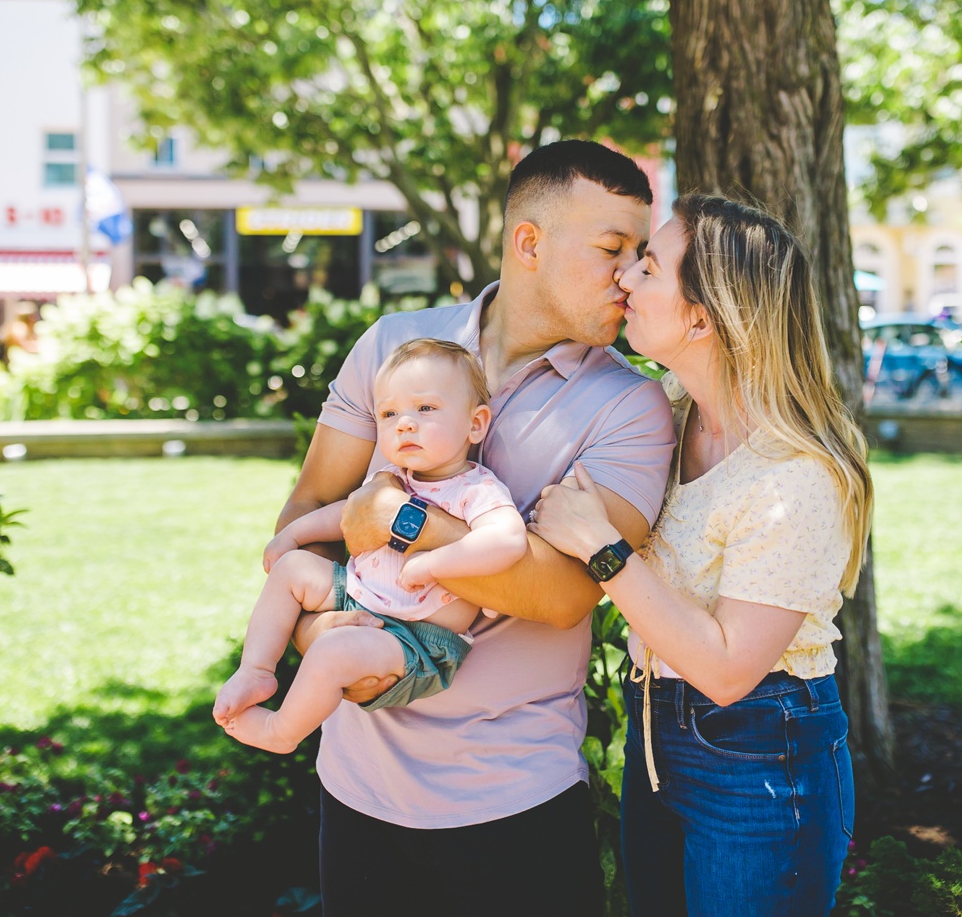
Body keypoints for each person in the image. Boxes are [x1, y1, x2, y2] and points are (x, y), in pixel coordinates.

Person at [271, 140, 678, 917]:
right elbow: (304, 518)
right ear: (529, 242)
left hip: (515, 796)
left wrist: (404, 522)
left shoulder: (630, 407)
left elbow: (564, 596)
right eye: (611, 249)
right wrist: (318, 637)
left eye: (640, 254)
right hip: (358, 787)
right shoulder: (393, 344)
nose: (629, 275)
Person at [530, 195, 872, 917]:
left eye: (648, 268)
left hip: (760, 754)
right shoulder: (666, 412)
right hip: (655, 729)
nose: (625, 280)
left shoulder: (798, 475)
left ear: (701, 317)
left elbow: (725, 670)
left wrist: (603, 550)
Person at [211, 338, 527, 754]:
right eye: (389, 413)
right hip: (363, 597)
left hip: (418, 638)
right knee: (292, 570)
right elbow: (346, 513)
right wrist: (294, 535)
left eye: (426, 409)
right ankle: (256, 670)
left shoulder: (476, 490)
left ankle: (281, 733)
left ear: (475, 424)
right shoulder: (392, 476)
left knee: (333, 653)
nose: (405, 423)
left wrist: (435, 565)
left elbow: (507, 541)